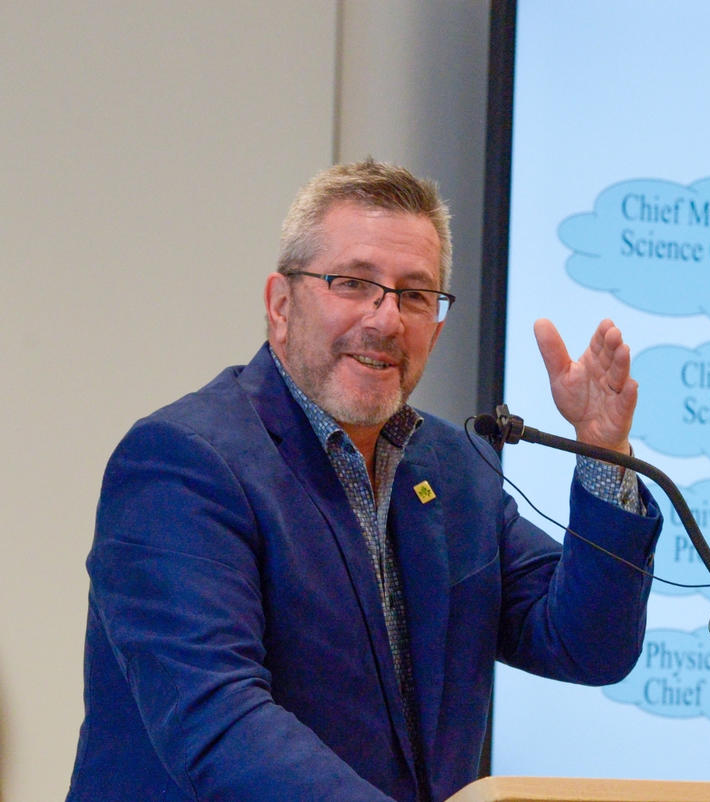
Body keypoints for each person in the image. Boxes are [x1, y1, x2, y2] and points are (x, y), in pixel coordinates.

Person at [67, 160, 663, 800]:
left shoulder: (453, 468)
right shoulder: (182, 463)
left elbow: (585, 644)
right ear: (280, 304)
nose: (386, 320)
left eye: (414, 294)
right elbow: (216, 720)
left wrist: (604, 455)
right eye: (353, 283)